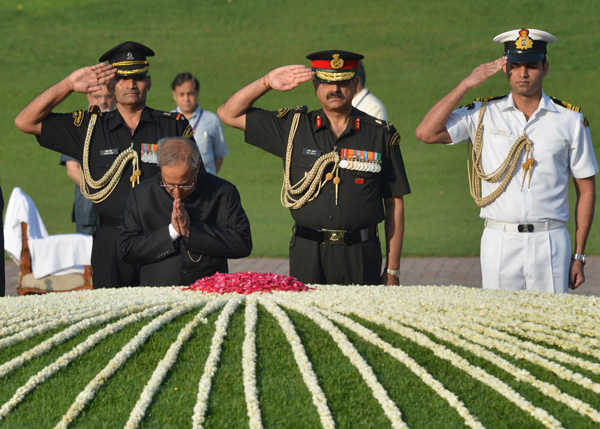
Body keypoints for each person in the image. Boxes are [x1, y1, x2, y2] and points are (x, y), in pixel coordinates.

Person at [415, 28, 598, 293]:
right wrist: (466, 84)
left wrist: (579, 255)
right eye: (515, 66)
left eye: (531, 66)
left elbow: (586, 188)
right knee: (500, 323)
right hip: (499, 238)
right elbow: (426, 132)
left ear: (545, 68)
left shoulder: (569, 120)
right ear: (505, 69)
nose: (523, 74)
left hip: (550, 239)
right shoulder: (484, 114)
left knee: (549, 325)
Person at [218, 50, 411, 286]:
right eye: (327, 82)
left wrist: (392, 271)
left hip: (361, 253)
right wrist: (266, 81)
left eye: (342, 82)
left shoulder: (380, 134)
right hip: (308, 253)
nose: (335, 89)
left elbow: (394, 204)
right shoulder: (294, 127)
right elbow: (228, 113)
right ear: (315, 85)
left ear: (355, 84)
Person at [14, 41, 195, 288]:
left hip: (161, 236)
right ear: (110, 84)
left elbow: (196, 180)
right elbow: (25, 121)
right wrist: (68, 84)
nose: (131, 84)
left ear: (149, 82)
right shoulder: (90, 127)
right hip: (111, 241)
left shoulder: (172, 126)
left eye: (139, 77)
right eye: (122, 78)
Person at [117, 137, 252, 286]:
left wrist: (191, 231)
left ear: (197, 167)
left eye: (185, 185)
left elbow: (242, 244)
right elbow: (126, 249)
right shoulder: (141, 195)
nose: (176, 192)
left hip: (209, 290)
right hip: (157, 292)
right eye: (168, 184)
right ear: (160, 169)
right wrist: (172, 232)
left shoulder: (223, 192)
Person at [60, 84, 116, 235]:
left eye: (109, 97)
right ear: (88, 96)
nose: (103, 101)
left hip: (120, 211)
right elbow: (72, 170)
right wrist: (103, 191)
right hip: (88, 208)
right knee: (86, 256)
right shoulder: (78, 126)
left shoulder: (125, 126)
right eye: (98, 96)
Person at [171, 73, 229, 175]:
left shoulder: (212, 120)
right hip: (177, 186)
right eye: (182, 94)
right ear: (174, 95)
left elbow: (219, 156)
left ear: (197, 93)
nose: (186, 99)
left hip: (206, 183)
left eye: (190, 94)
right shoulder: (168, 119)